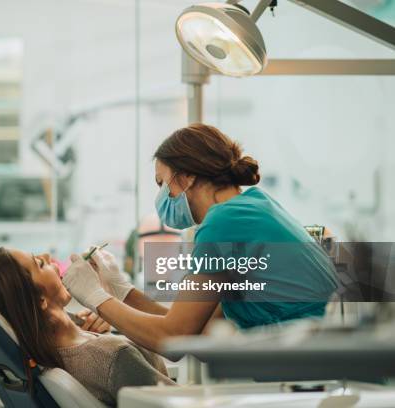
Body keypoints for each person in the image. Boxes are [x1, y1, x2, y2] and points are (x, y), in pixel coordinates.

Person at [62, 123, 338, 353]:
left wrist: (95, 296)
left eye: (162, 183)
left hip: (315, 371)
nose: (161, 197)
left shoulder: (224, 222)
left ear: (187, 177)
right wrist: (122, 291)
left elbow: (173, 337)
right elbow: (199, 332)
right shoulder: (253, 206)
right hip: (323, 365)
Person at [0, 247, 175, 407]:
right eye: (39, 264)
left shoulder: (46, 353)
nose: (47, 256)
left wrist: (105, 318)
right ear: (40, 300)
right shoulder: (114, 356)